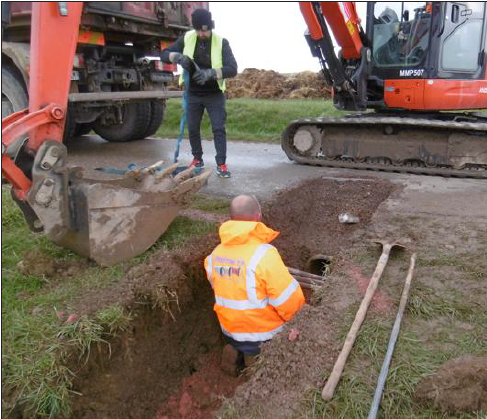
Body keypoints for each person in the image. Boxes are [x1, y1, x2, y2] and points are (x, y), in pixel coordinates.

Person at [204, 195, 305, 376]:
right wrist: (298, 322)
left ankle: (234, 351)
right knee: (260, 365)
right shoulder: (264, 255)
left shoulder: (214, 256)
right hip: (262, 336)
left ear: (232, 218)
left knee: (240, 339)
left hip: (229, 329)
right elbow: (289, 300)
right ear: (257, 217)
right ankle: (253, 369)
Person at [161, 8, 238, 178]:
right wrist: (177, 57)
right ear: (194, 28)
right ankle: (197, 159)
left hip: (214, 93)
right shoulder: (187, 38)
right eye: (199, 30)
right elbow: (164, 54)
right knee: (193, 128)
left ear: (211, 27)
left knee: (218, 128)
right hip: (193, 93)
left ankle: (221, 164)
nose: (202, 33)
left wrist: (210, 73)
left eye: (205, 30)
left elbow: (232, 69)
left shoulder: (221, 42)